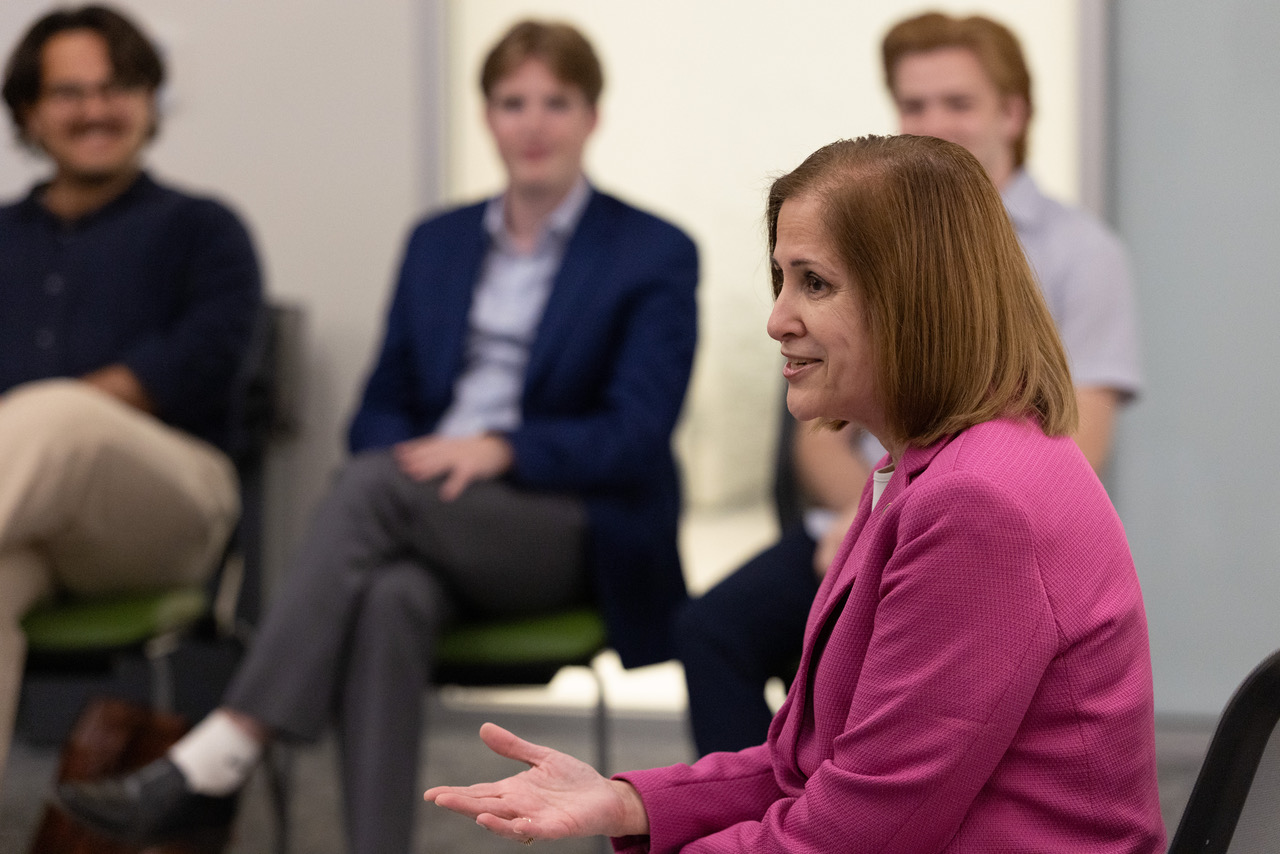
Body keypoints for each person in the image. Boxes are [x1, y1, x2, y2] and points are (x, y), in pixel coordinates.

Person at [57, 19, 699, 854]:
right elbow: (380, 409)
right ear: (487, 116)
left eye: (556, 102)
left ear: (592, 116)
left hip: (565, 523)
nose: (534, 123)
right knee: (391, 593)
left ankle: (225, 747)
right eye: (513, 102)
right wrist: (422, 465)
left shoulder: (652, 251)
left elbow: (637, 433)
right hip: (425, 513)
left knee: (371, 488)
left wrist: (499, 449)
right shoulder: (438, 243)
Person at [425, 134, 1165, 854]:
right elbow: (803, 767)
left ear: (916, 296)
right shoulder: (935, 466)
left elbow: (862, 832)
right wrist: (627, 802)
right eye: (781, 279)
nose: (778, 319)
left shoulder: (977, 502)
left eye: (815, 282)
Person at [674, 9, 1143, 757]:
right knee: (713, 631)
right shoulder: (869, 232)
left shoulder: (1081, 255)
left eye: (957, 102)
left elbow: (1075, 442)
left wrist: (898, 528)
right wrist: (867, 520)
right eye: (915, 105)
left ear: (1012, 113)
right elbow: (822, 442)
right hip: (868, 510)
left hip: (965, 523)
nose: (935, 123)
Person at [0, 5, 262, 787]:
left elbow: (200, 360)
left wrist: (56, 412)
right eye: (70, 92)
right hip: (24, 512)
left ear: (149, 101)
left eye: (116, 87)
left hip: (168, 511)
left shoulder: (204, 229)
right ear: (29, 113)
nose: (95, 109)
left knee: (63, 414)